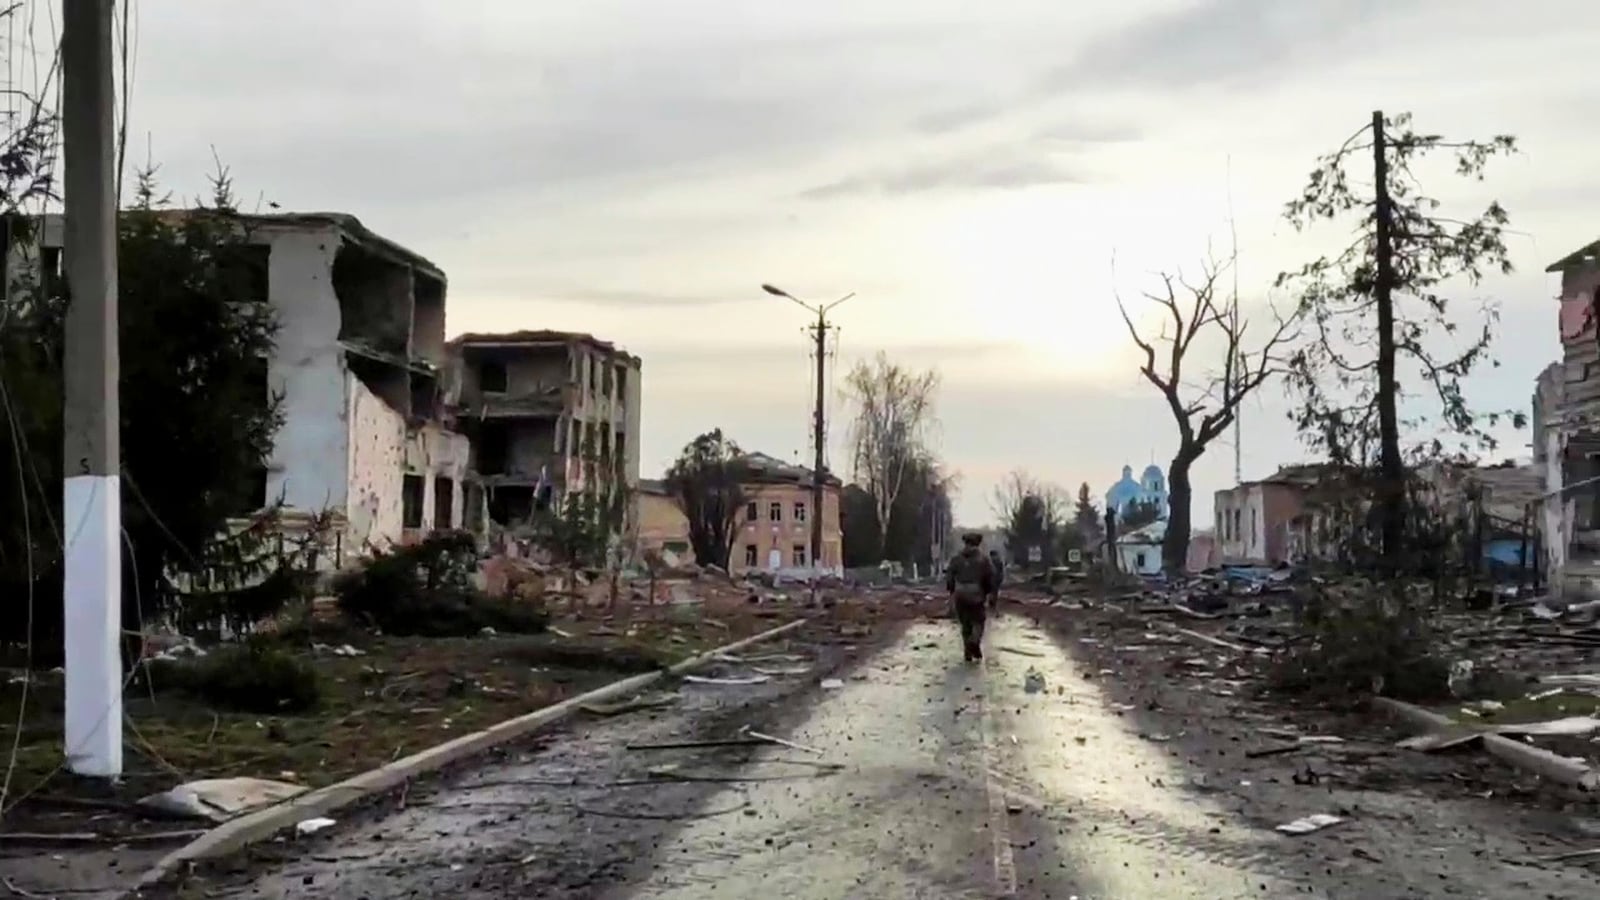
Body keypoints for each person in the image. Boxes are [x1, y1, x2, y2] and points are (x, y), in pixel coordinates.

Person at [945, 533, 998, 662]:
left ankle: (967, 653)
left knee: (965, 624)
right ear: (978, 544)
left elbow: (949, 575)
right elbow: (990, 577)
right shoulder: (984, 560)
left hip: (960, 593)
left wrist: (952, 591)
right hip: (976, 593)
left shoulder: (956, 558)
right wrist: (989, 593)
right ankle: (973, 642)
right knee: (979, 621)